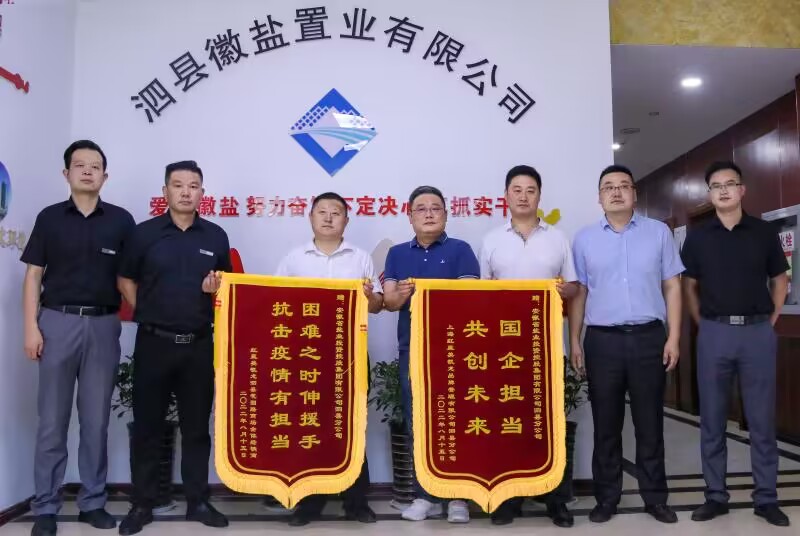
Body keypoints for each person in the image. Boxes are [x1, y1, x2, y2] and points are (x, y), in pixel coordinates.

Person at [22, 140, 135, 536]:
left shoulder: (121, 221)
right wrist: (31, 326)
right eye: (80, 165)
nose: (88, 171)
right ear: (66, 173)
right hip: (57, 322)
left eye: (95, 166)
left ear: (105, 175)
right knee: (52, 421)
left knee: (95, 421)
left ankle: (92, 502)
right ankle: (46, 506)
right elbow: (34, 274)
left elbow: (129, 279)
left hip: (104, 325)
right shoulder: (50, 218)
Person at [117, 161, 231, 535]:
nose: (185, 192)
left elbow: (227, 287)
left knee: (197, 428)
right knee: (148, 427)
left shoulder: (215, 236)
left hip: (198, 345)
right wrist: (148, 311)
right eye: (178, 185)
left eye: (193, 185)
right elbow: (125, 279)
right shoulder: (144, 233)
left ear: (202, 193)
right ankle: (142, 503)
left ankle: (197, 501)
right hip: (154, 342)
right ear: (165, 191)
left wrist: (215, 289)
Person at [570, 165, 683, 524]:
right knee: (606, 424)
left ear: (635, 193)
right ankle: (606, 498)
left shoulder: (658, 233)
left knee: (650, 423)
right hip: (602, 342)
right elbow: (580, 293)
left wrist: (674, 337)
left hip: (650, 338)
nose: (616, 192)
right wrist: (575, 340)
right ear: (599, 197)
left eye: (623, 186)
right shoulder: (584, 239)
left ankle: (655, 498)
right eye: (608, 187)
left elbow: (672, 286)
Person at [681, 161, 790, 527]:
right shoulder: (698, 237)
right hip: (715, 332)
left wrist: (771, 319)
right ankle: (715, 496)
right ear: (710, 194)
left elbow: (780, 279)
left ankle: (767, 498)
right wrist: (702, 324)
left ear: (742, 190)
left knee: (761, 420)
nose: (724, 190)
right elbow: (688, 285)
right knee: (712, 419)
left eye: (730, 184)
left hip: (758, 332)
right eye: (716, 186)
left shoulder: (763, 232)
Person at [274, 192, 382, 526]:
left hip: (350, 352)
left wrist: (369, 297)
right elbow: (276, 303)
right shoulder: (293, 259)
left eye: (336, 213)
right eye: (322, 212)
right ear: (310, 217)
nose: (329, 218)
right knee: (309, 424)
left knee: (354, 424)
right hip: (306, 355)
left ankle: (356, 501)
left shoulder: (360, 258)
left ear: (346, 221)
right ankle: (309, 502)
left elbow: (377, 305)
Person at [479, 164, 577, 527]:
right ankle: (509, 497)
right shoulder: (491, 240)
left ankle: (555, 499)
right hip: (504, 349)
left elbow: (574, 287)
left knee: (551, 423)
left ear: (539, 196)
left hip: (547, 347)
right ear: (506, 196)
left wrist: (562, 289)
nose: (523, 196)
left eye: (530, 190)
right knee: (508, 423)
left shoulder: (558, 238)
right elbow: (481, 296)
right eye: (517, 190)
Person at [382, 186, 480, 523]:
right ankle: (425, 495)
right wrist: (402, 295)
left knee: (457, 420)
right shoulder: (397, 253)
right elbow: (389, 302)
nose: (428, 214)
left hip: (455, 350)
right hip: (413, 350)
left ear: (446, 215)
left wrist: (431, 292)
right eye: (420, 209)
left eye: (435, 208)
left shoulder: (461, 250)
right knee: (417, 421)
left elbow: (469, 299)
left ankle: (458, 497)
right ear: (410, 216)